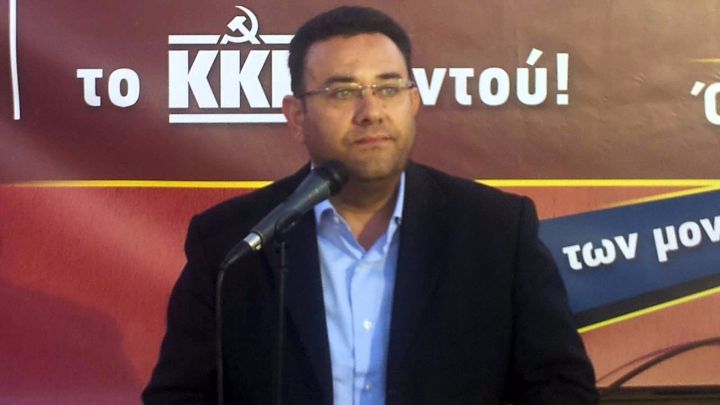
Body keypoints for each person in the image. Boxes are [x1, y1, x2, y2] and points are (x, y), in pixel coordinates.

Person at [143, 6, 597, 404]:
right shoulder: (233, 242)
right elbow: (180, 394)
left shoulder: (495, 231)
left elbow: (560, 387)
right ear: (297, 117)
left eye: (388, 88)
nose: (371, 111)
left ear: (413, 102)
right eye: (343, 92)